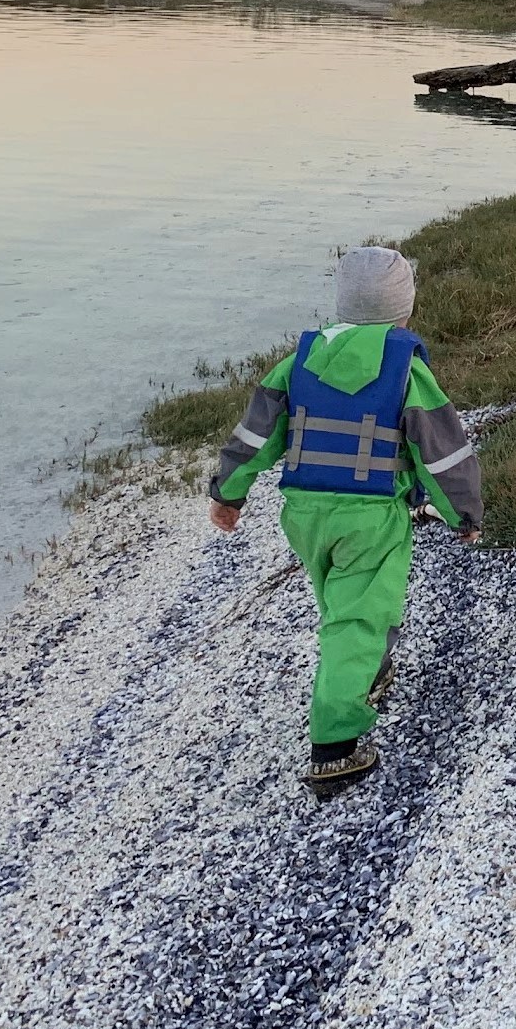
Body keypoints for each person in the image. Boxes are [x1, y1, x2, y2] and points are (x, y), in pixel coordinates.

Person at [209, 245, 482, 795]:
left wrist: (227, 494)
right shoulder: (407, 370)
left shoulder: (299, 362)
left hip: (305, 514)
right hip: (371, 516)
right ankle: (335, 745)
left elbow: (255, 436)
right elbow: (442, 453)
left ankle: (369, 672)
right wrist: (463, 513)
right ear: (405, 311)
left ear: (341, 305)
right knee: (356, 620)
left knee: (339, 600)